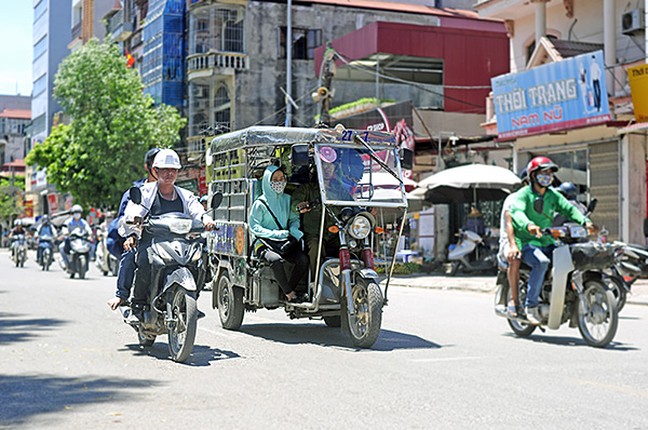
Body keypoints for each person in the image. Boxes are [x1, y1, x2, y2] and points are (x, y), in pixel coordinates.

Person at [120, 148, 215, 318]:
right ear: (155, 171)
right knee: (144, 261)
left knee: (200, 260)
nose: (169, 173)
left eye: (173, 170)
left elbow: (197, 210)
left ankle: (191, 300)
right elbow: (134, 210)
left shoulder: (185, 195)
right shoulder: (145, 192)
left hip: (181, 241)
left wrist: (206, 220)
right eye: (165, 170)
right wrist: (135, 219)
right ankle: (138, 305)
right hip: (152, 241)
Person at [509, 156, 594, 325]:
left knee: (571, 258)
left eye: (550, 173)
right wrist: (529, 225)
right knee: (541, 262)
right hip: (526, 242)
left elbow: (569, 208)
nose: (548, 176)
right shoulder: (523, 194)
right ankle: (531, 307)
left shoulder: (553, 195)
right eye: (544, 172)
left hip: (548, 241)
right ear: (533, 175)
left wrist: (584, 221)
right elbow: (517, 213)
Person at [107, 147, 160, 310]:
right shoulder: (136, 192)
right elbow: (125, 218)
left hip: (168, 239)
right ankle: (122, 295)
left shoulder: (174, 191)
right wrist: (131, 235)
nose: (164, 171)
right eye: (158, 167)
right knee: (131, 253)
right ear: (148, 167)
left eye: (168, 168)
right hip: (142, 238)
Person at [250, 165, 308, 302]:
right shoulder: (260, 203)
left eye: (282, 178)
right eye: (275, 179)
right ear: (267, 181)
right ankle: (290, 294)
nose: (279, 182)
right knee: (275, 260)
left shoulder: (288, 199)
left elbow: (294, 219)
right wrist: (276, 234)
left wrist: (295, 231)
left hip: (283, 243)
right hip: (264, 244)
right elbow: (254, 227)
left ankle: (287, 292)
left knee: (303, 260)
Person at [497, 169, 528, 318]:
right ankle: (513, 300)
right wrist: (513, 245)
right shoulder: (513, 199)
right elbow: (510, 224)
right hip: (511, 241)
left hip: (534, 241)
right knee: (515, 258)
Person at [58, 205, 93, 270]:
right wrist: (65, 233)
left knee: (92, 247)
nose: (77, 214)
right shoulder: (68, 221)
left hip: (82, 240)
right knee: (61, 247)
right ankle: (66, 263)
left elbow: (88, 229)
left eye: (78, 212)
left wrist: (90, 235)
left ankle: (87, 262)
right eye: (75, 212)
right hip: (71, 239)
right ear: (73, 213)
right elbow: (64, 228)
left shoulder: (83, 222)